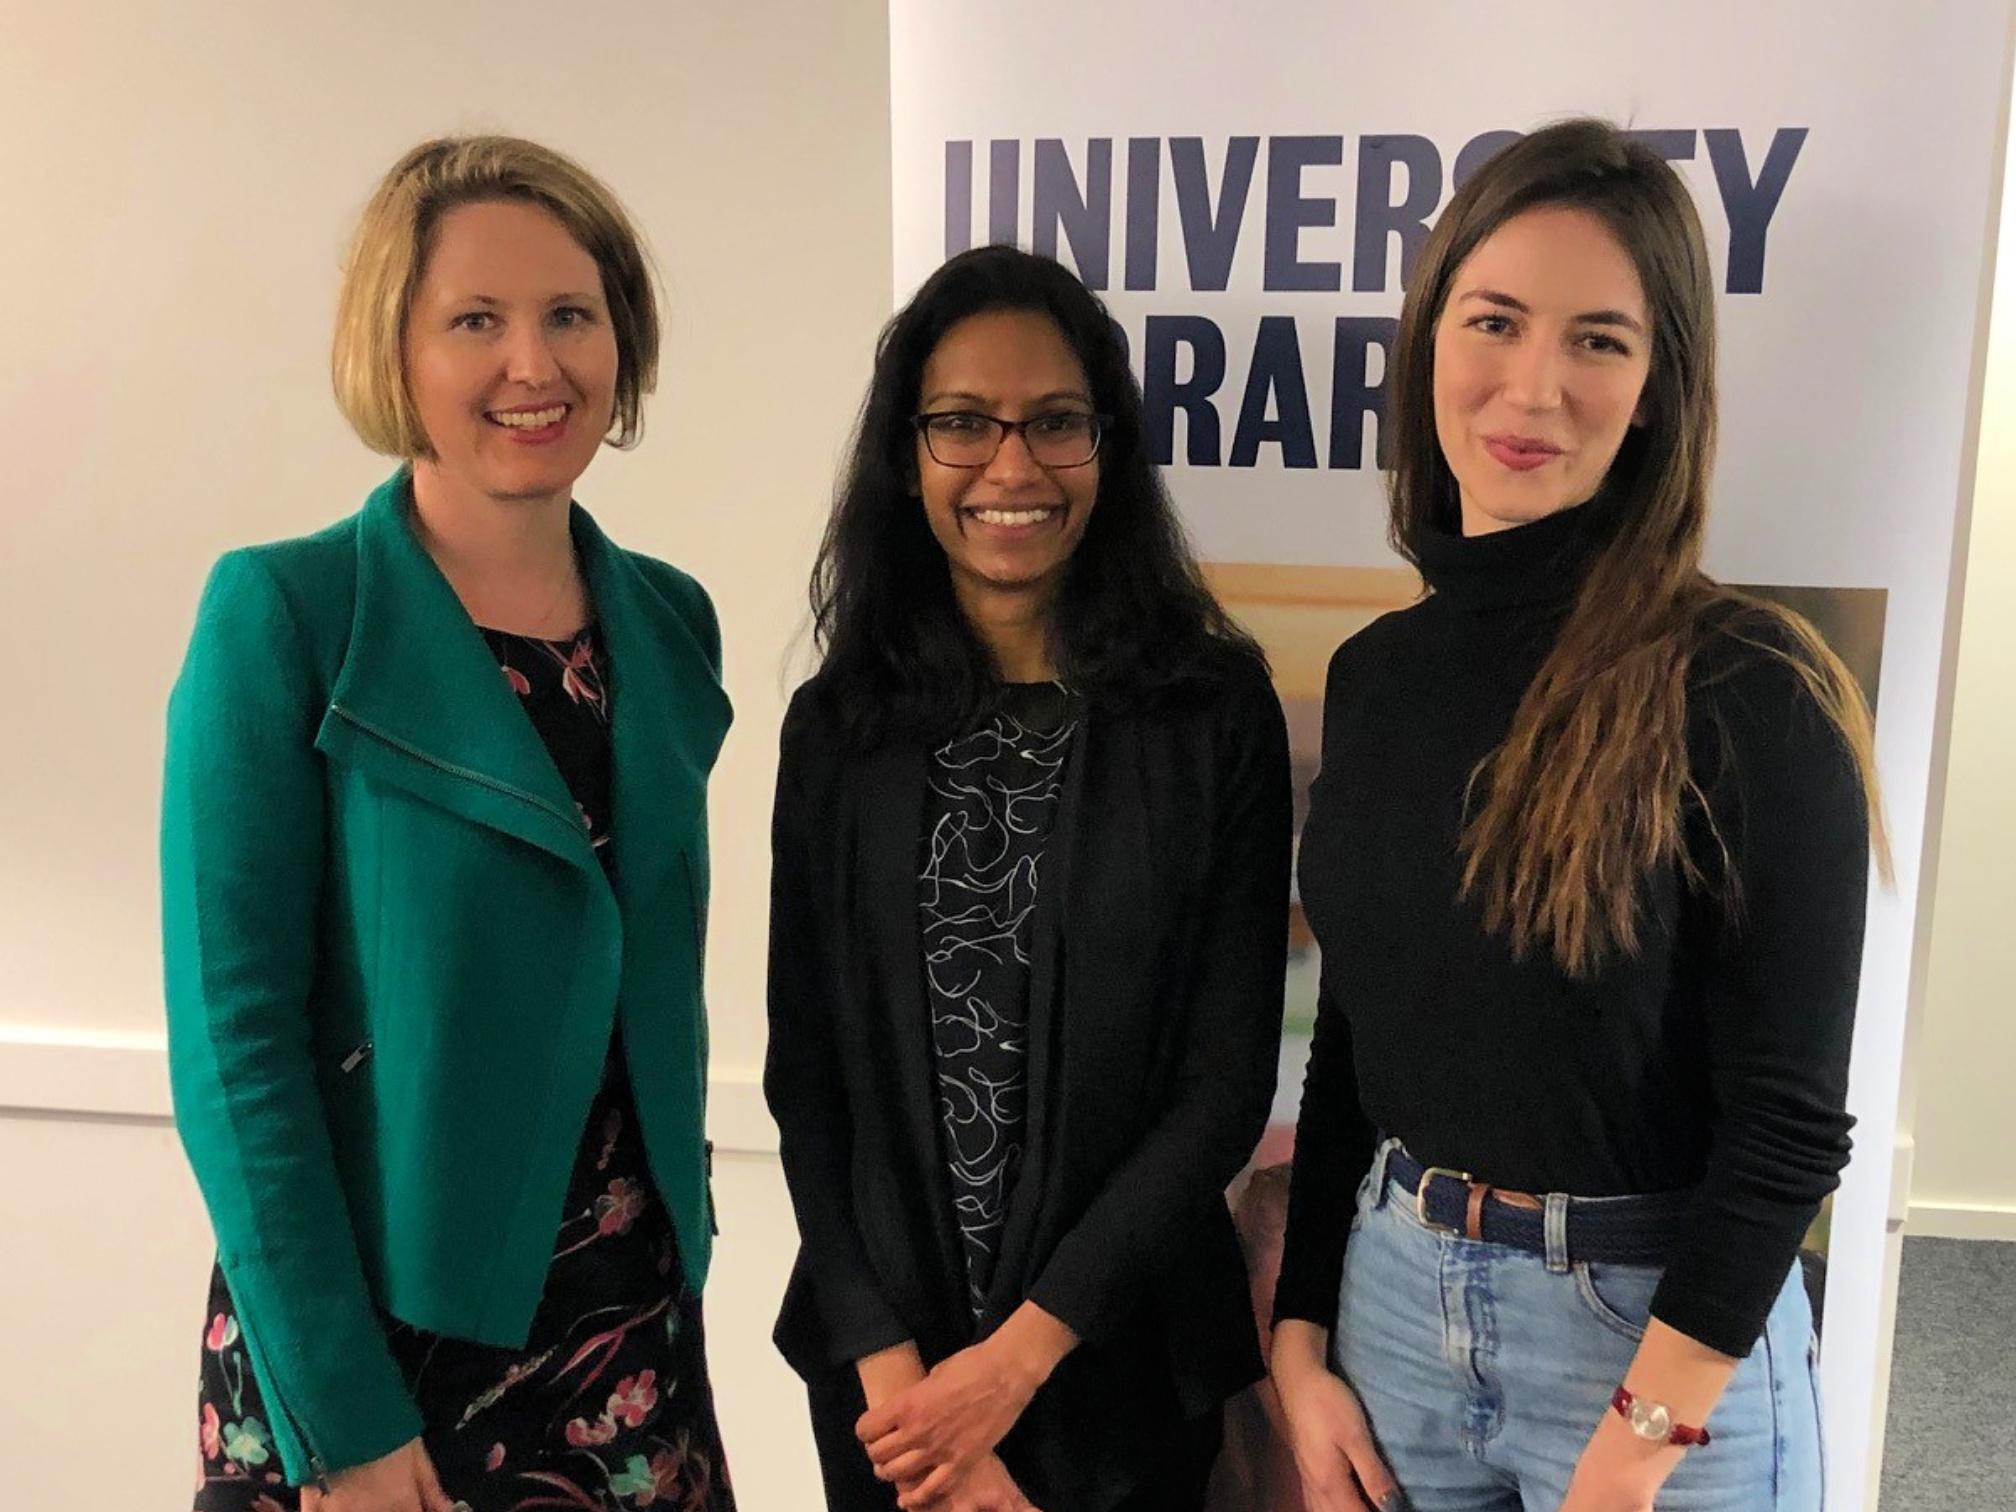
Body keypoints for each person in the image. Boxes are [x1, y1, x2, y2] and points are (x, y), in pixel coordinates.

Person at [1268, 119, 1885, 1512]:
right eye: (1494, 320)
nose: (1533, 384)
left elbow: (1787, 1129)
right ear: (1430, 336)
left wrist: (1633, 1453)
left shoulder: (1749, 683)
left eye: (1599, 340)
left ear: (1661, 386)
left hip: (1654, 1354)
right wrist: (1300, 1337)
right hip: (1395, 1318)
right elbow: (1357, 1045)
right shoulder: (1378, 677)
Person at [167, 136, 735, 1511]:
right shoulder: (288, 617)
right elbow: (236, 1047)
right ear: (398, 353)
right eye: (476, 320)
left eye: (570, 316)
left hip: (626, 1332)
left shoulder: (666, 620)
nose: (533, 366)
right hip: (383, 1350)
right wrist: (342, 1418)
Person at [763, 244, 1291, 1512]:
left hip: (1121, 1370)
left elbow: (1226, 1085)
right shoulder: (837, 728)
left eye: (1056, 424)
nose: (1012, 467)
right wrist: (905, 1395)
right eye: (963, 425)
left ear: (1108, 448)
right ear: (907, 455)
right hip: (888, 1387)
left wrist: (1013, 1366)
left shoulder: (1212, 712)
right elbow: (808, 1076)